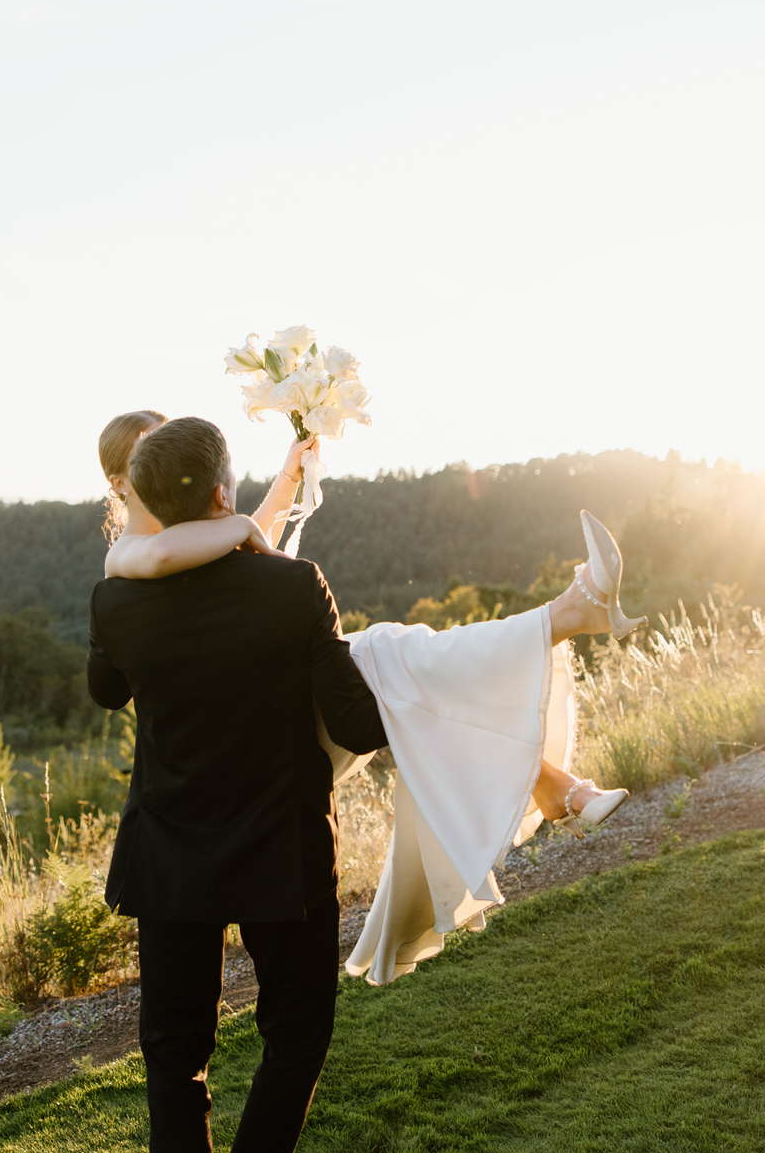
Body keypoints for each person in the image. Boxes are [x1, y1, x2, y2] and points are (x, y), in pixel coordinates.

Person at [100, 414, 644, 985]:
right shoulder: (132, 556)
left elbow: (224, 543)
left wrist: (286, 479)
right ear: (122, 481)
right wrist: (244, 528)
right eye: (147, 454)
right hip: (257, 745)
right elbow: (188, 551)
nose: (162, 460)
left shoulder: (193, 536)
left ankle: (553, 776)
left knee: (401, 667)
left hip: (261, 729)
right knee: (391, 657)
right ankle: (566, 629)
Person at [87, 416, 388, 1153]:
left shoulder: (119, 600)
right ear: (223, 491)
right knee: (296, 1038)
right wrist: (407, 666)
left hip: (172, 853)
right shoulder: (294, 587)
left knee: (175, 1065)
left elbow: (107, 692)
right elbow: (361, 722)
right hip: (282, 851)